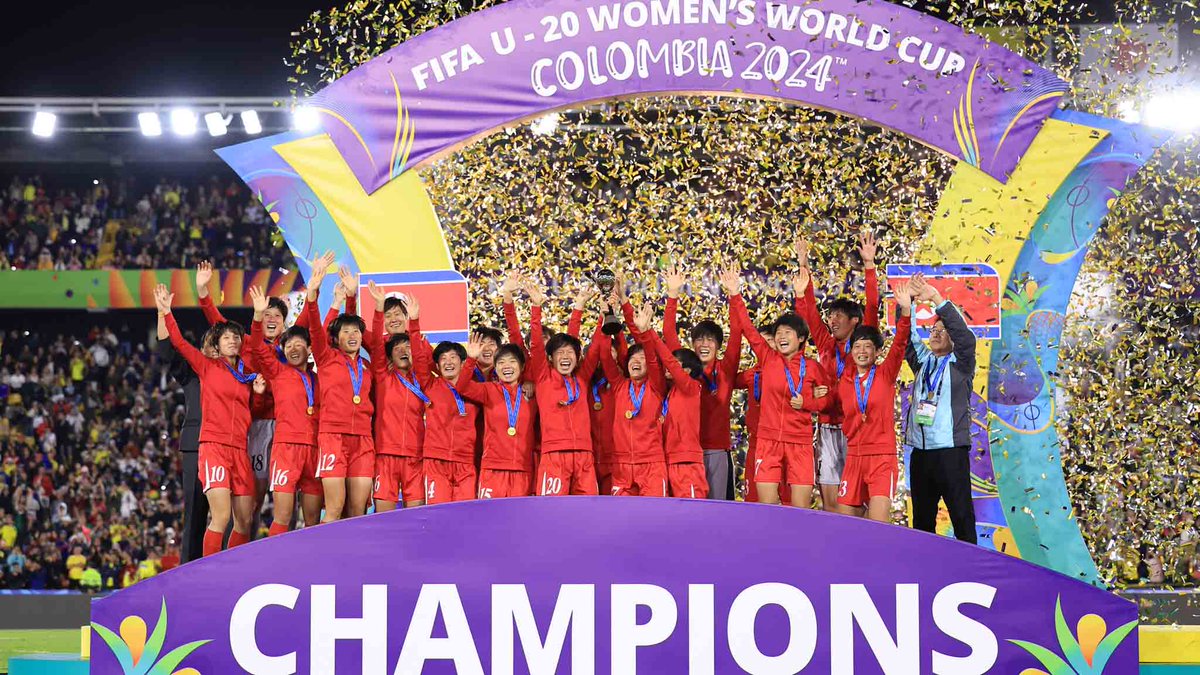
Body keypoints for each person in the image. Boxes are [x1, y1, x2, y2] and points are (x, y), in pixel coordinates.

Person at [154, 283, 256, 555]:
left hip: (240, 450)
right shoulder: (206, 367)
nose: (232, 340)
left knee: (244, 521)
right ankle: (208, 574)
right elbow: (177, 343)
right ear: (216, 345)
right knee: (221, 517)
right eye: (226, 338)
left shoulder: (248, 376)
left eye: (236, 337)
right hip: (214, 447)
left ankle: (237, 570)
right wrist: (166, 312)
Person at [723, 268, 833, 507]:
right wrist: (734, 294)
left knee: (800, 509)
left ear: (801, 339)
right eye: (778, 333)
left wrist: (809, 403)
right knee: (767, 507)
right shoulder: (768, 358)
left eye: (788, 333)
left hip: (800, 443)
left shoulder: (812, 367)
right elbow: (749, 330)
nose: (782, 336)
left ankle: (797, 545)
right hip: (768, 440)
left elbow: (828, 401)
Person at [793, 232, 881, 513]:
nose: (832, 321)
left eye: (838, 316)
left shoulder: (861, 346)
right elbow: (807, 312)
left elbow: (872, 306)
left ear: (854, 321)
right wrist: (803, 263)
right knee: (832, 505)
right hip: (828, 428)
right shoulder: (826, 343)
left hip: (857, 429)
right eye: (830, 316)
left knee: (860, 501)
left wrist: (869, 266)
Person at [904, 273, 978, 544]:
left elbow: (964, 336)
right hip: (921, 454)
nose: (935, 334)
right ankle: (927, 575)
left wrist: (936, 298)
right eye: (933, 330)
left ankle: (972, 572)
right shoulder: (923, 362)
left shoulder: (961, 363)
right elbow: (908, 338)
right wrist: (909, 303)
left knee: (961, 517)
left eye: (941, 331)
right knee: (922, 521)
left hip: (950, 452)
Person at [304, 257, 378, 521]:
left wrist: (352, 296)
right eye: (345, 332)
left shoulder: (368, 367)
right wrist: (313, 295)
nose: (353, 335)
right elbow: (315, 328)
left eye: (356, 331)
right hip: (333, 436)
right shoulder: (326, 358)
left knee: (358, 511)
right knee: (334, 508)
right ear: (336, 339)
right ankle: (324, 560)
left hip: (363, 440)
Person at [245, 286, 323, 534]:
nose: (294, 348)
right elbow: (257, 346)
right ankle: (274, 569)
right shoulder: (277, 372)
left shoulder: (319, 379)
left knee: (311, 521)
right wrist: (258, 316)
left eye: (300, 344)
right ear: (283, 350)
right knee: (282, 516)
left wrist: (315, 292)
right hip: (286, 448)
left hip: (314, 449)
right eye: (289, 346)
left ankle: (312, 569)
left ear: (310, 349)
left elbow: (318, 330)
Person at [662, 264, 743, 500]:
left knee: (718, 511)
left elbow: (737, 334)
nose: (704, 344)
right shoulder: (684, 370)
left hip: (716, 450)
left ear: (718, 345)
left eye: (710, 340)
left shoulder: (726, 370)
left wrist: (733, 295)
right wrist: (673, 294)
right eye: (699, 340)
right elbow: (669, 333)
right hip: (686, 454)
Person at [837, 280, 913, 522]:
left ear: (878, 351)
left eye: (868, 347)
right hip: (854, 458)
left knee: (878, 526)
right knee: (846, 527)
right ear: (851, 351)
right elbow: (842, 417)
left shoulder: (885, 373)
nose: (862, 351)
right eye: (857, 346)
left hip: (881, 458)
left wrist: (906, 312)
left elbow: (900, 343)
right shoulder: (845, 382)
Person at [525, 277, 604, 496]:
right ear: (550, 357)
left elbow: (596, 346)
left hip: (584, 455)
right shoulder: (543, 376)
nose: (566, 356)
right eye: (560, 353)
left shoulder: (582, 377)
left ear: (578, 357)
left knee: (588, 512)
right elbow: (536, 344)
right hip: (554, 454)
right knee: (552, 513)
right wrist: (536, 307)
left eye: (570, 352)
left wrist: (602, 315)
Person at [408, 296, 479, 504]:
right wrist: (414, 323)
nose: (448, 363)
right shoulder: (430, 385)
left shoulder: (475, 389)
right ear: (437, 366)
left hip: (465, 461)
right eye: (443, 359)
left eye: (453, 358)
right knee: (438, 514)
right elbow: (419, 358)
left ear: (463, 362)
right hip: (436, 460)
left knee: (464, 516)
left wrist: (473, 359)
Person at [363, 283, 427, 511]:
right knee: (383, 521)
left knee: (415, 519)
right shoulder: (381, 373)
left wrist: (416, 322)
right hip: (385, 453)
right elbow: (377, 351)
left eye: (398, 314)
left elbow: (427, 359)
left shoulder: (423, 376)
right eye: (397, 348)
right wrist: (378, 310)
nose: (403, 351)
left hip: (416, 455)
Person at [597, 298, 667, 497]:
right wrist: (605, 319)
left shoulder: (655, 385)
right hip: (621, 465)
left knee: (654, 517)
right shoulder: (619, 386)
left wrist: (645, 333)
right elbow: (604, 356)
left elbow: (653, 359)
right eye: (633, 358)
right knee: (621, 517)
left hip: (651, 463)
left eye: (642, 358)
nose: (636, 361)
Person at [456, 335, 538, 498]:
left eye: (512, 361)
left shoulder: (533, 393)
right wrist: (471, 359)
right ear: (495, 367)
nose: (506, 366)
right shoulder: (489, 390)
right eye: (501, 362)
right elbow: (462, 387)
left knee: (519, 521)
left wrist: (530, 381)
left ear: (522, 367)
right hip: (492, 468)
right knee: (490, 520)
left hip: (523, 469)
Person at [156, 313, 208, 562]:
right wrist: (161, 314)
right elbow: (167, 352)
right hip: (196, 447)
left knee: (232, 516)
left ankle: (230, 571)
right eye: (207, 346)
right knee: (195, 512)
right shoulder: (191, 376)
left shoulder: (236, 375)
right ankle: (189, 569)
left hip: (230, 447)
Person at [643, 304, 709, 499]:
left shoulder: (692, 387)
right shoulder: (670, 393)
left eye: (675, 364)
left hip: (687, 462)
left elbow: (669, 361)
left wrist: (650, 331)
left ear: (686, 371)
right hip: (668, 460)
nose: (668, 365)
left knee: (692, 515)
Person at [733, 321, 777, 503]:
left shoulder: (790, 371)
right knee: (753, 498)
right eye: (760, 342)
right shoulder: (752, 374)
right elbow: (729, 379)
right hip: (755, 442)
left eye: (769, 341)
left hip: (778, 441)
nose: (764, 347)